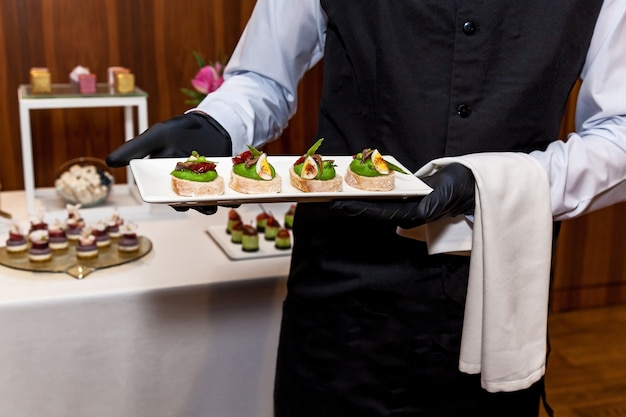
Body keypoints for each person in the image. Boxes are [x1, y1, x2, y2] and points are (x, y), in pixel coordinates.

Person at [106, 1, 626, 416]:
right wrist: (217, 123)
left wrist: (486, 184)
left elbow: (619, 133)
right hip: (341, 291)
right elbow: (264, 77)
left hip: (495, 295)